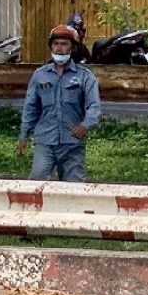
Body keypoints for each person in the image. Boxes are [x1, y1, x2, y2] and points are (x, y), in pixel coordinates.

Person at [18, 25, 101, 182]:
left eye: (64, 44)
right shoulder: (40, 75)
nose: (59, 48)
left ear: (73, 48)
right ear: (51, 46)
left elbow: (94, 107)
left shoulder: (85, 76)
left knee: (74, 187)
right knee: (37, 180)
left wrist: (85, 125)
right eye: (56, 44)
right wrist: (24, 136)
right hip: (45, 141)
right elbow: (30, 108)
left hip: (72, 143)